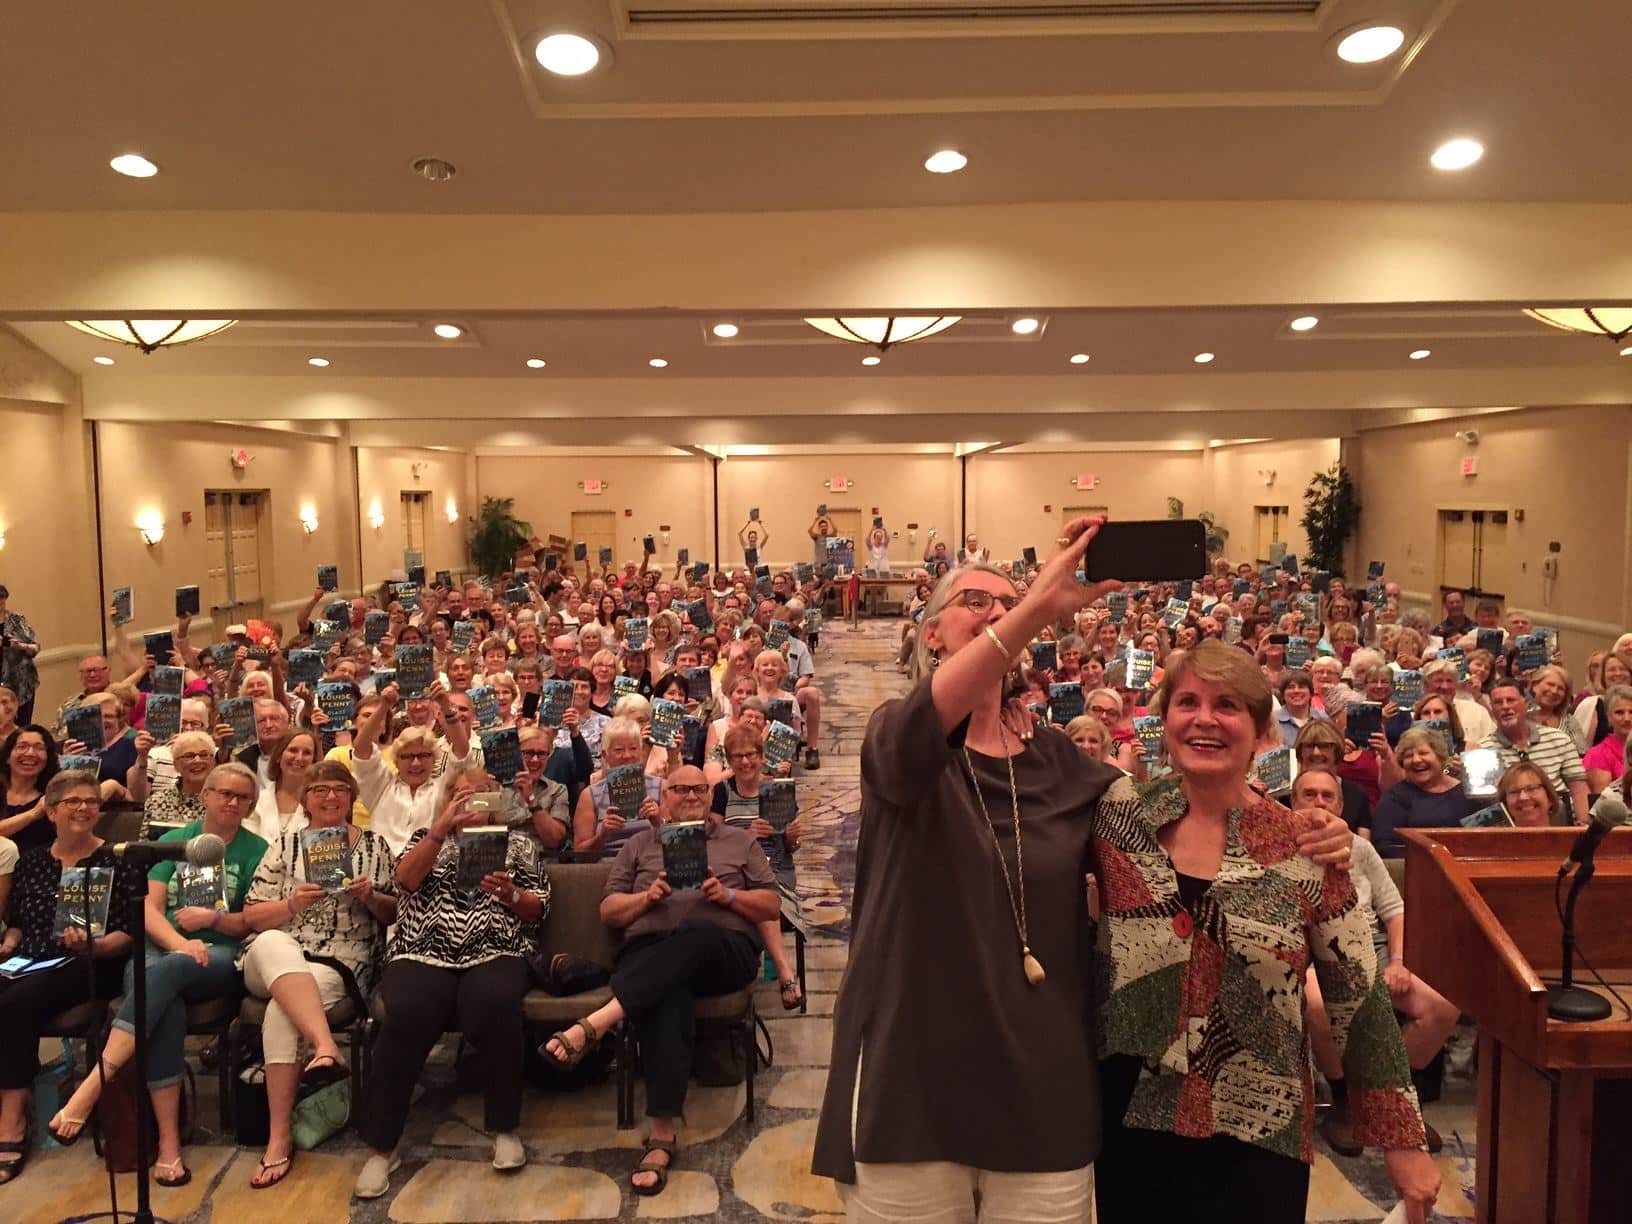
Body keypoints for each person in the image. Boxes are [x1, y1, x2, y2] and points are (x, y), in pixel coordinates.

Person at [1093, 639, 1437, 1223]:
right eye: (1188, 702)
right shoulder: (1117, 814)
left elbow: (1360, 997)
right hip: (1132, 1115)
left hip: (1259, 1127)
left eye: (1227, 705)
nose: (1204, 719)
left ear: (1260, 732)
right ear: (1165, 719)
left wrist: (1403, 1143)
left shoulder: (1305, 846)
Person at [541, 766, 779, 1198]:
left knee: (698, 932)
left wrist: (726, 896)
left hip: (722, 953)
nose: (690, 795)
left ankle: (597, 1021)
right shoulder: (638, 844)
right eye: (680, 789)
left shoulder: (739, 841)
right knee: (667, 991)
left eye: (699, 789)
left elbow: (770, 904)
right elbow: (609, 911)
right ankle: (661, 1135)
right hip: (651, 954)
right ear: (663, 795)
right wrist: (646, 898)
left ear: (711, 795)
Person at [49, 763, 269, 1188]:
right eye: (224, 793)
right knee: (163, 1007)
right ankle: (169, 1145)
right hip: (164, 950)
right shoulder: (172, 842)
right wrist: (179, 944)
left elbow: (252, 918)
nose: (232, 802)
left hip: (220, 955)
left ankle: (94, 1083)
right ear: (203, 795)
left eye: (243, 797)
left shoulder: (256, 848)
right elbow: (149, 909)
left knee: (159, 979)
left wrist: (211, 926)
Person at [354, 767, 546, 1198]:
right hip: (423, 948)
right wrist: (440, 829)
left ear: (497, 801)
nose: (471, 801)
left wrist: (511, 895)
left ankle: (504, 1128)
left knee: (496, 1004)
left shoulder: (519, 845)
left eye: (480, 794)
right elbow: (403, 881)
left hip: (494, 947)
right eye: (460, 794)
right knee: (405, 1013)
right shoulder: (427, 837)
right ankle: (381, 1148)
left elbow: (539, 909)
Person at [238, 761, 398, 1188]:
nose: (330, 798)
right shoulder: (285, 844)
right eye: (321, 790)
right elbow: (252, 915)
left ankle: (278, 1138)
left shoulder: (375, 845)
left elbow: (394, 912)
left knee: (280, 1011)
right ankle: (326, 1045)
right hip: (274, 954)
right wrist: (290, 907)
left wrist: (370, 897)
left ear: (352, 797)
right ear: (306, 797)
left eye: (340, 790)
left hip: (341, 961)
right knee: (274, 943)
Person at [1290, 767, 1459, 1155]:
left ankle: (1388, 1100)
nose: (1319, 804)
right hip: (1315, 957)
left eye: (1327, 796)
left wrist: (1399, 961)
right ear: (1292, 802)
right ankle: (1347, 1102)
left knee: (1442, 1005)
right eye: (1308, 795)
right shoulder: (1278, 847)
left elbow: (1395, 910)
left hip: (1375, 950)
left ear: (1341, 804)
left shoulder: (1360, 848)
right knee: (1317, 1004)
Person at [0, 771, 145, 1185]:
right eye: (71, 802)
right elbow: (18, 922)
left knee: (16, 1002)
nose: (83, 808)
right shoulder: (32, 861)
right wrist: (10, 938)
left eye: (90, 801)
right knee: (15, 991)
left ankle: (12, 1123)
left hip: (92, 963)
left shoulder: (117, 858)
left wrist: (94, 946)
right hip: (29, 959)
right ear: (50, 811)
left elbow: (131, 933)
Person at [711, 724, 805, 1009]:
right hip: (735, 874)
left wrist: (790, 838)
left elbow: (791, 850)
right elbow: (713, 842)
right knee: (755, 894)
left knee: (763, 892)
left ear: (762, 757)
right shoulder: (721, 792)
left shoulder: (778, 791)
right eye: (737, 756)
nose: (745, 762)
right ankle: (785, 975)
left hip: (775, 871)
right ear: (729, 759)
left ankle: (777, 974)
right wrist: (744, 837)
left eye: (751, 754)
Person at [351, 682, 473, 855]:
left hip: (429, 870)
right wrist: (384, 705)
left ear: (434, 759)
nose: (416, 763)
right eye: (407, 757)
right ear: (396, 761)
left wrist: (445, 704)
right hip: (382, 870)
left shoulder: (442, 788)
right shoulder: (380, 785)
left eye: (423, 756)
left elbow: (462, 751)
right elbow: (361, 746)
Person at [1490, 677, 1589, 824]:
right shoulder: (1485, 749)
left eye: (1511, 700)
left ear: (1526, 703)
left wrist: (1584, 826)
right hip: (1514, 827)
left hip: (1561, 822)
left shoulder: (1559, 739)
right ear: (1492, 709)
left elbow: (1579, 789)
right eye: (1498, 702)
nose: (1505, 706)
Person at [1369, 728, 1474, 857]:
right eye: (1408, 756)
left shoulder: (1468, 794)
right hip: (1414, 868)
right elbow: (1385, 845)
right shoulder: (1395, 797)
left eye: (1423, 753)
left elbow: (1488, 837)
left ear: (1440, 757)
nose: (1416, 760)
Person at [244, 727, 318, 844]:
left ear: (314, 761)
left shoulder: (322, 803)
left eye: (307, 753)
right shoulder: (256, 800)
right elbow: (248, 845)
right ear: (279, 756)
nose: (299, 758)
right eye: (293, 750)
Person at [139, 729, 216, 835]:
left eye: (204, 755)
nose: (198, 760)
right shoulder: (157, 801)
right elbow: (144, 846)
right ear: (176, 765)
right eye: (189, 756)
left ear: (213, 762)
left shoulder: (221, 801)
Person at [0, 725, 59, 853]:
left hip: (36, 870)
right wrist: (33, 814)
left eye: (39, 748)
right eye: (22, 746)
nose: (31, 753)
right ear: (7, 757)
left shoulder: (53, 796)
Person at [0, 587, 40, 727]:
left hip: (20, 682)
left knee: (22, 726)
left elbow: (35, 648)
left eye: (1, 600)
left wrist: (20, 646)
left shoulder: (17, 620)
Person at [1583, 685, 1632, 794]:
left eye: (1631, 712)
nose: (1627, 718)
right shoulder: (1597, 755)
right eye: (1619, 712)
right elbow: (1603, 803)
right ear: (1608, 717)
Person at [1495, 760, 1562, 827]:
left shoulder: (1569, 837)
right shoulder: (1489, 837)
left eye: (1531, 789)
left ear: (1549, 797)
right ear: (1505, 803)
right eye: (1514, 791)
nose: (1523, 797)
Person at [1273, 668, 1327, 748]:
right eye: (1290, 687)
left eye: (1302, 687)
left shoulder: (1323, 718)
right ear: (1283, 694)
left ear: (1311, 693)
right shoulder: (1272, 721)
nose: (1296, 691)